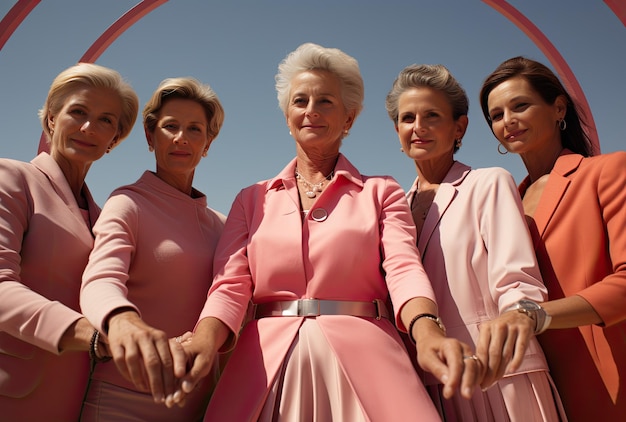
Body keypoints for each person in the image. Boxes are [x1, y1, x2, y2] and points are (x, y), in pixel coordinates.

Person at [167, 42, 482, 421]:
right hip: (262, 365)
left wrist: (427, 330)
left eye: (326, 102)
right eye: (300, 102)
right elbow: (230, 284)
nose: (311, 111)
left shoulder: (382, 191)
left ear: (349, 119)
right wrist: (204, 337)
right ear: (287, 116)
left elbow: (404, 269)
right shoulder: (249, 199)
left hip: (371, 362)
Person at [384, 63, 566, 421]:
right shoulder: (393, 208)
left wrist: (517, 320)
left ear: (459, 127)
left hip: (501, 373)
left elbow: (518, 281)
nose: (417, 128)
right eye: (407, 118)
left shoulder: (489, 183)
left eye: (431, 115)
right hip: (425, 382)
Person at [478, 56, 626, 421]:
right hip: (534, 383)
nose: (507, 121)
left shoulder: (607, 172)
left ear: (558, 107)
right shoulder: (504, 200)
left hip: (605, 373)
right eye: (496, 115)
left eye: (520, 105)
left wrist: (534, 315)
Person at [79, 77, 226, 421]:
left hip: (203, 402)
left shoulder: (221, 224)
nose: (181, 138)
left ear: (207, 143)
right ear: (150, 136)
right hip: (123, 401)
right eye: (170, 126)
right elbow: (101, 278)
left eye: (194, 129)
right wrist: (122, 320)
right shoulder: (127, 203)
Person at [0, 63, 138, 421]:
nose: (89, 127)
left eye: (106, 120)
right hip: (12, 391)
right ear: (50, 118)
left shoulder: (105, 215)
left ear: (114, 140)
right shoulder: (12, 179)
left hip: (79, 399)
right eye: (78, 111)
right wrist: (92, 335)